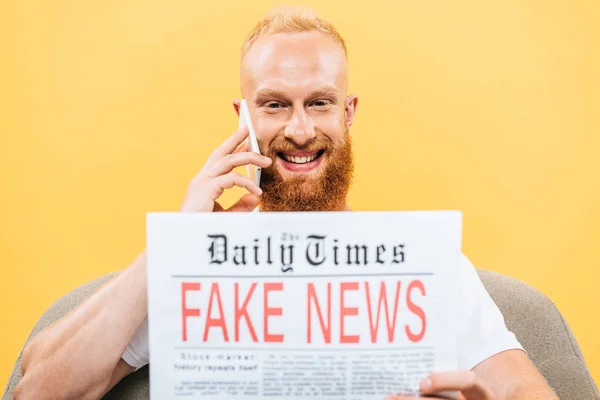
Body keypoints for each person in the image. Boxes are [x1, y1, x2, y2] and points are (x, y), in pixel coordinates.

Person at [14, 6, 558, 400]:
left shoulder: (422, 265)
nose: (299, 130)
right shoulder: (199, 270)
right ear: (243, 117)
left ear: (348, 113)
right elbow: (35, 392)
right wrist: (172, 245)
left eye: (319, 103)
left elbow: (522, 390)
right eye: (275, 105)